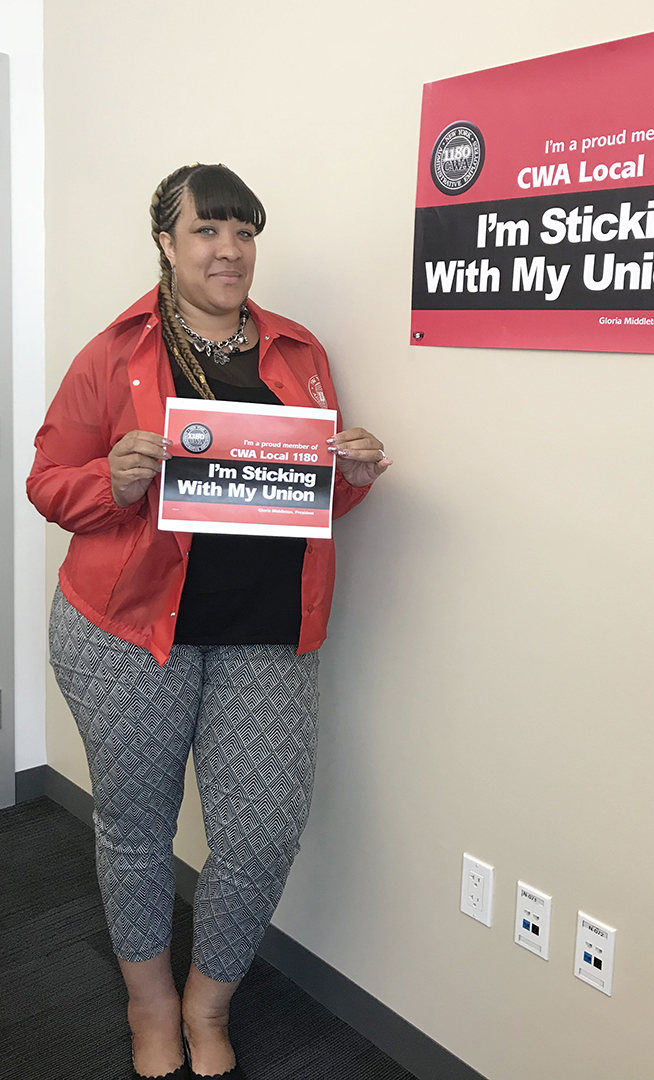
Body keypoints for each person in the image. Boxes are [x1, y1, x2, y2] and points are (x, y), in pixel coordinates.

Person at [27, 163, 390, 1080]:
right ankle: (150, 1004)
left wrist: (350, 477)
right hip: (129, 633)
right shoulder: (116, 352)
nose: (229, 250)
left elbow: (301, 498)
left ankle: (208, 1003)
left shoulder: (299, 352)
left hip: (265, 634)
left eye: (243, 232)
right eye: (207, 230)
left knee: (262, 831)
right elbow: (48, 482)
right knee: (136, 828)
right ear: (166, 242)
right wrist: (109, 480)